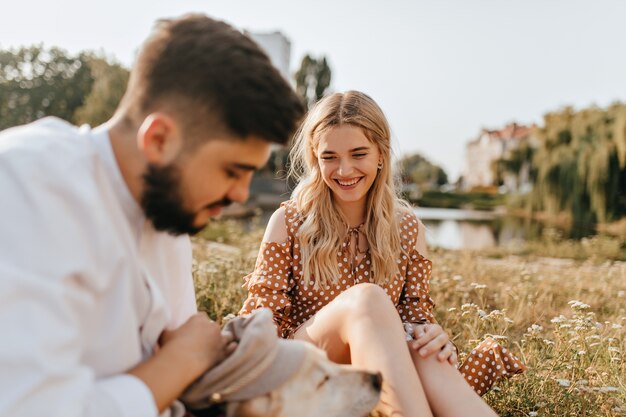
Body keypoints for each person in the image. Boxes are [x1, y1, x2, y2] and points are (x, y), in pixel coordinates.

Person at [0, 14, 304, 417]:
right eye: (232, 171)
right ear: (158, 138)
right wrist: (184, 360)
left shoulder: (170, 215)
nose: (241, 194)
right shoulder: (25, 186)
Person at [240, 91, 524, 417]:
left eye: (358, 153)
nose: (344, 170)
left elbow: (414, 320)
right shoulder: (289, 221)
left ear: (380, 154)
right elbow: (261, 329)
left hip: (378, 368)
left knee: (423, 350)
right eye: (330, 157)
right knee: (368, 301)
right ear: (315, 158)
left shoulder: (407, 228)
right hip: (300, 368)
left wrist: (432, 335)